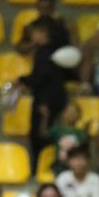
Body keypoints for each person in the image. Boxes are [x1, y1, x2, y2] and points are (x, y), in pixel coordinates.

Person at [19, 19, 73, 172]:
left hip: (45, 100)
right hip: (56, 98)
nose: (32, 37)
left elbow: (39, 77)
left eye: (34, 33)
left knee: (39, 137)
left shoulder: (43, 52)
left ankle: (38, 168)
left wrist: (22, 80)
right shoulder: (57, 50)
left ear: (43, 33)